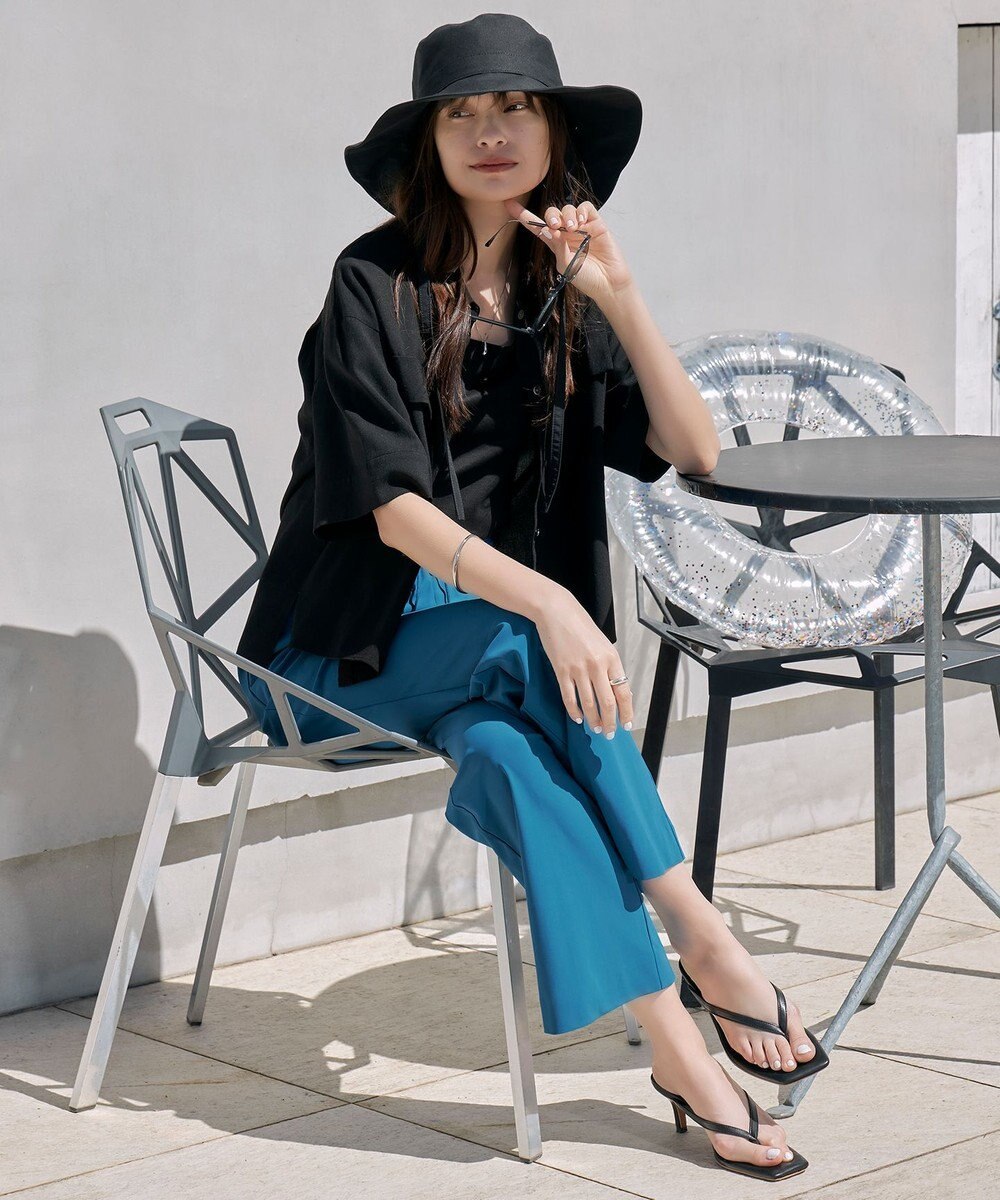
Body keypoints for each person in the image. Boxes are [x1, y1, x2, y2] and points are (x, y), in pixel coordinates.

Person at [236, 12, 826, 1180]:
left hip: (490, 673)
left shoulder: (562, 295)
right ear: (429, 143)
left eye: (514, 108)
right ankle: (705, 937)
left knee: (511, 758)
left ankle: (678, 1052)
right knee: (529, 639)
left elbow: (694, 450)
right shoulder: (371, 283)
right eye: (461, 113)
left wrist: (620, 293)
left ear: (554, 134)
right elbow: (391, 509)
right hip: (332, 661)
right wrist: (554, 607)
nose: (489, 131)